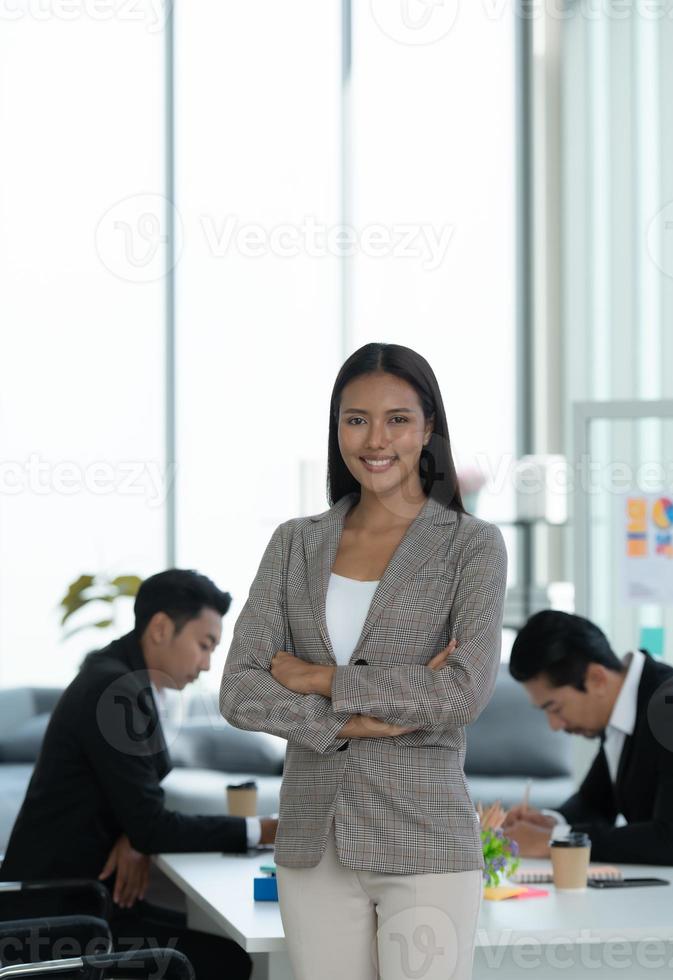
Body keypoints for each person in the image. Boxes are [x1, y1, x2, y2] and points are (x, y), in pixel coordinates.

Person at [220, 343, 508, 980]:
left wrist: (316, 678)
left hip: (424, 838)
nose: (375, 439)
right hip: (312, 841)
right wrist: (349, 721)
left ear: (428, 427)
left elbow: (459, 696)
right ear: (337, 428)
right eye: (356, 420)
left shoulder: (472, 547)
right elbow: (239, 690)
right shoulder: (295, 543)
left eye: (397, 419)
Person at [0, 569, 278, 980]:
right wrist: (263, 830)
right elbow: (152, 823)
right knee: (226, 960)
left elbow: (136, 796)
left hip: (83, 900)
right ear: (161, 628)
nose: (206, 665)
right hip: (67, 916)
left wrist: (132, 834)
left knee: (199, 938)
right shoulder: (115, 693)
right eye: (205, 645)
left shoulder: (118, 676)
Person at [503, 610, 673, 865]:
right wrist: (551, 821)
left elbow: (668, 839)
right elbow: (594, 803)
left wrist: (555, 841)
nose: (554, 725)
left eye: (555, 708)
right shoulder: (625, 707)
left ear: (597, 678)